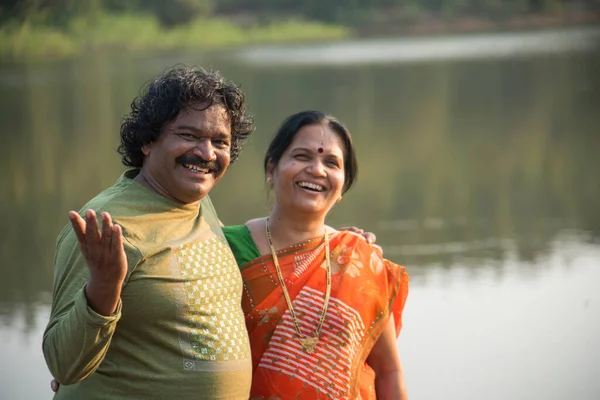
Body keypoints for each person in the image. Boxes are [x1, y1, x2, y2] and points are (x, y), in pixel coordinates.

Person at [42, 65, 256, 399]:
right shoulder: (105, 225)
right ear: (147, 141)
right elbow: (63, 364)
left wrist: (331, 239)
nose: (206, 153)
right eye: (188, 136)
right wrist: (103, 287)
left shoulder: (197, 201)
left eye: (220, 141)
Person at [222, 111, 409, 399]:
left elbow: (388, 371)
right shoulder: (226, 249)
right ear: (271, 168)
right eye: (301, 156)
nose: (317, 170)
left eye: (331, 162)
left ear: (343, 185)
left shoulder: (359, 260)